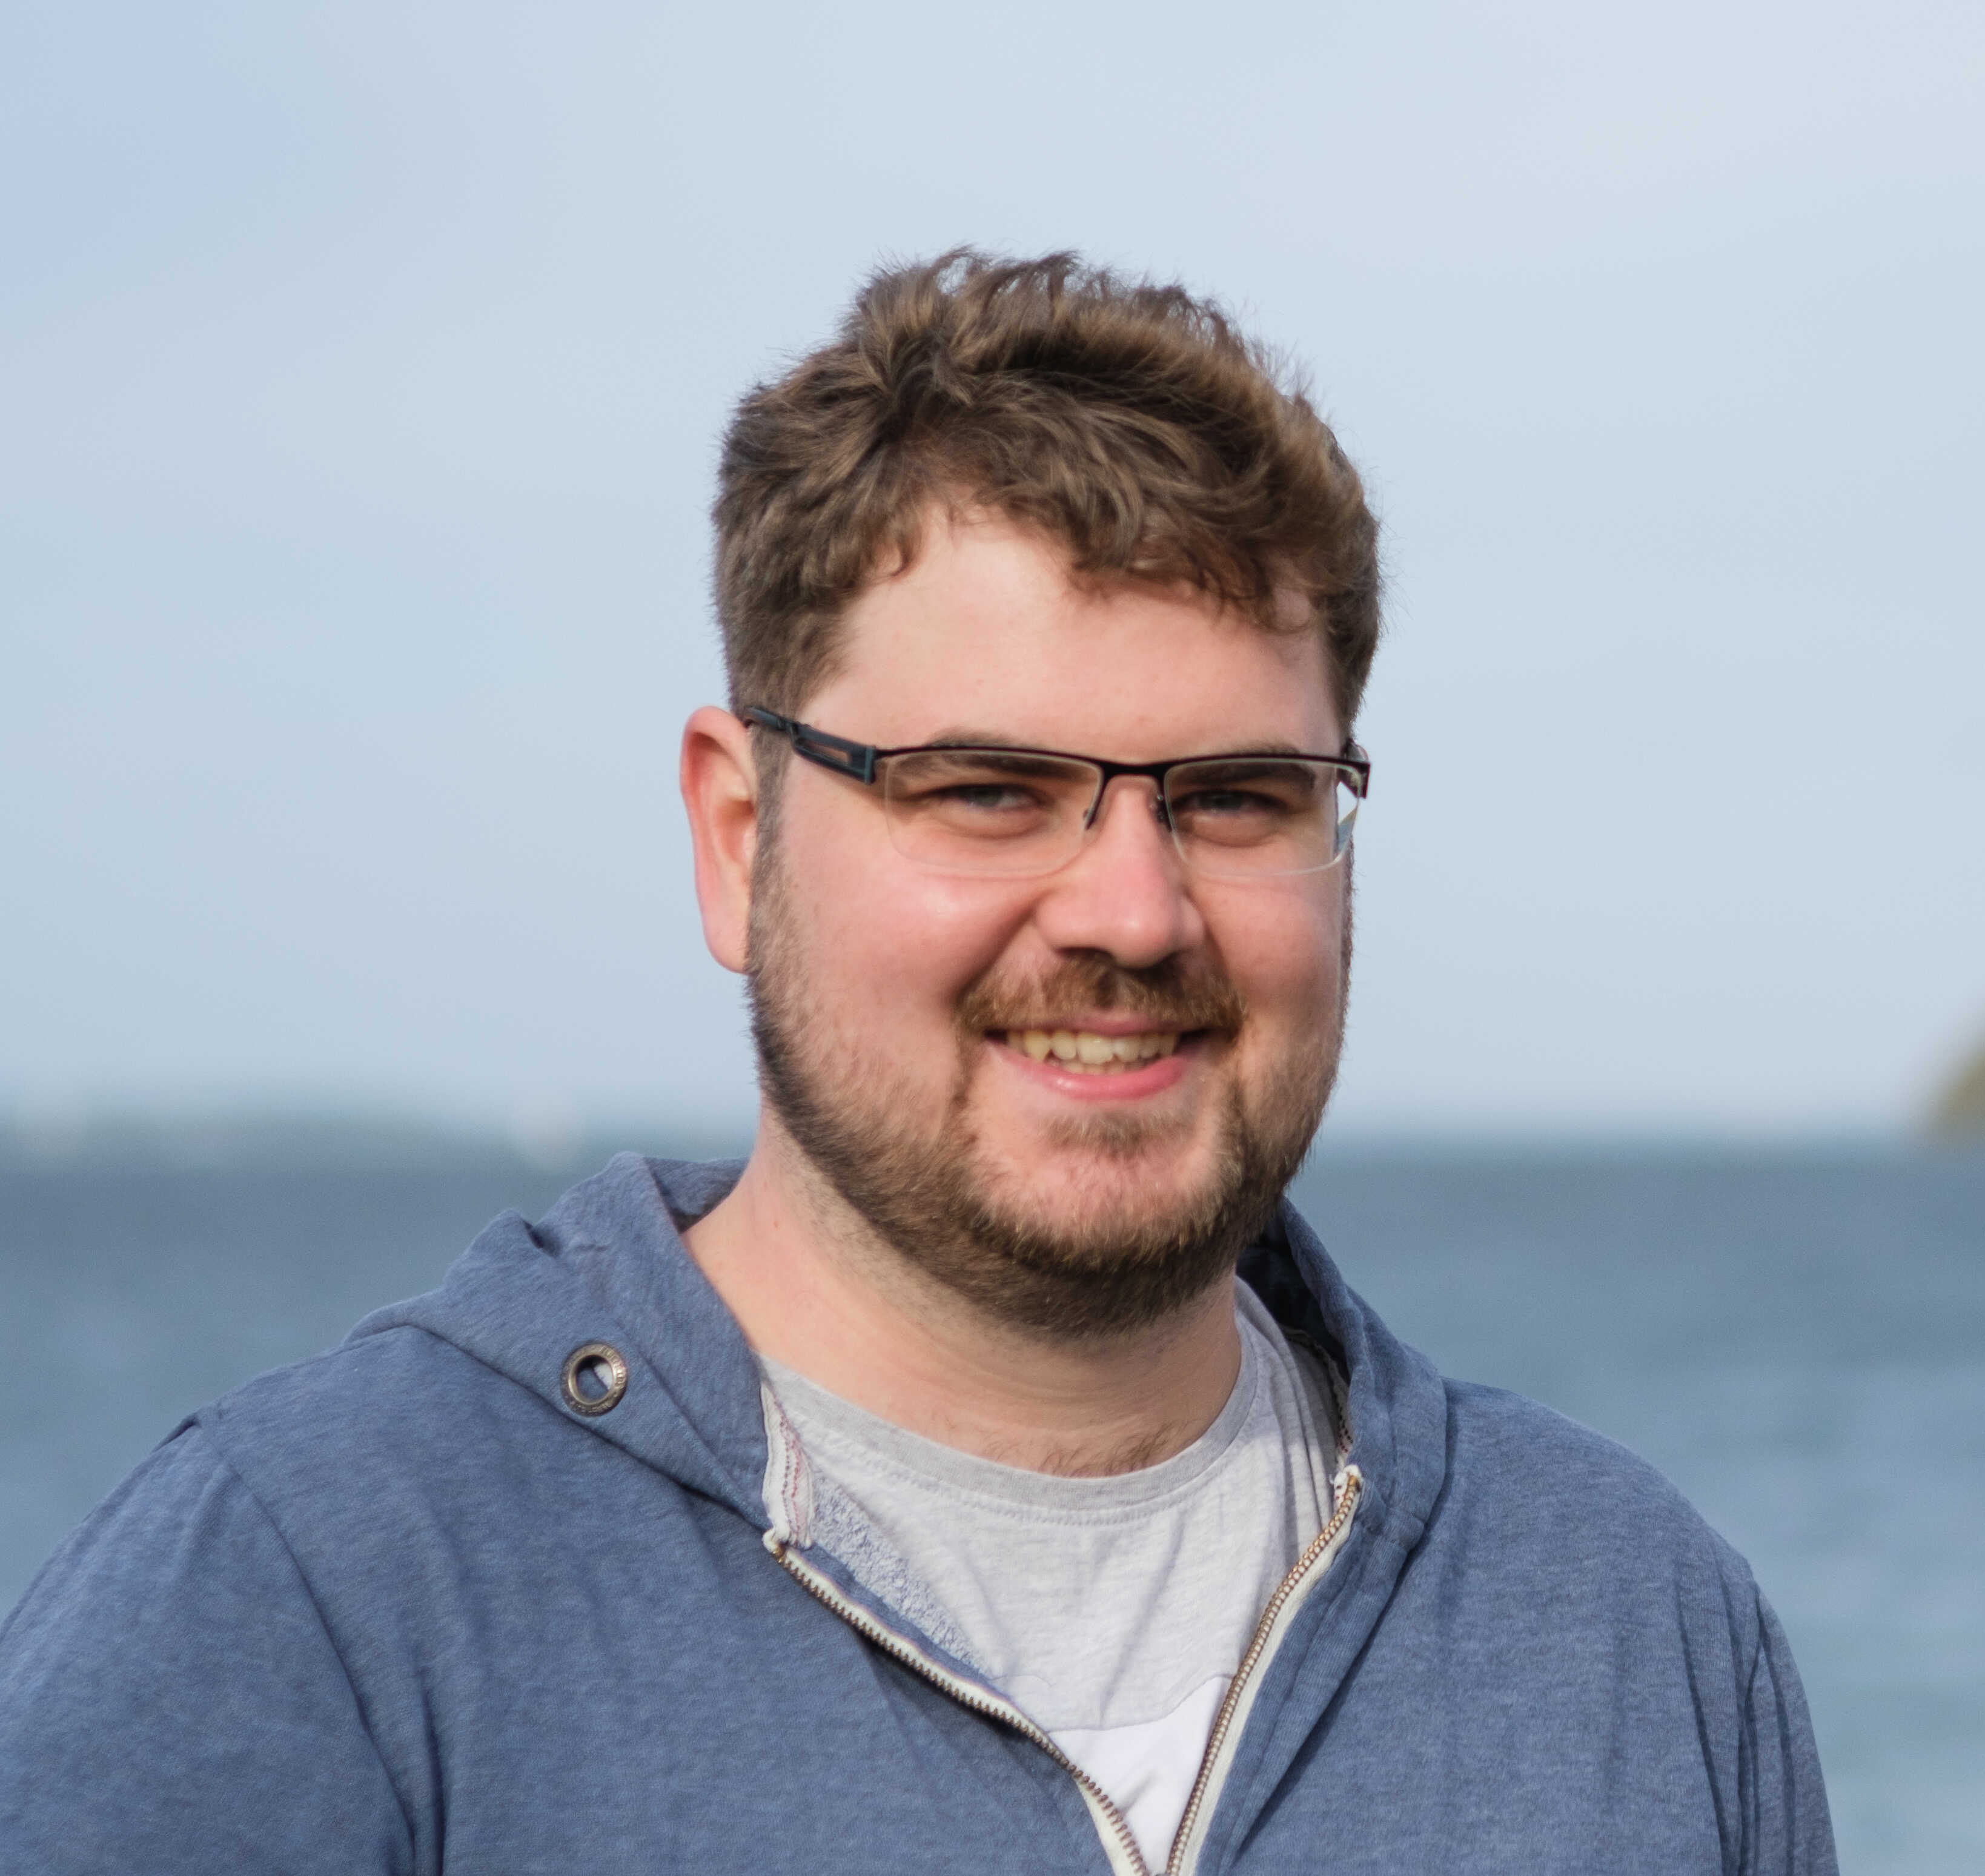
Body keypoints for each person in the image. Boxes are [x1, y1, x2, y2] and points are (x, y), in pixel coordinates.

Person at [0, 254, 1839, 1876]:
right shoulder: (308, 1601)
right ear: (737, 836)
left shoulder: (1624, 1628)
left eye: (1237, 798)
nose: (1130, 910)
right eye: (986, 790)